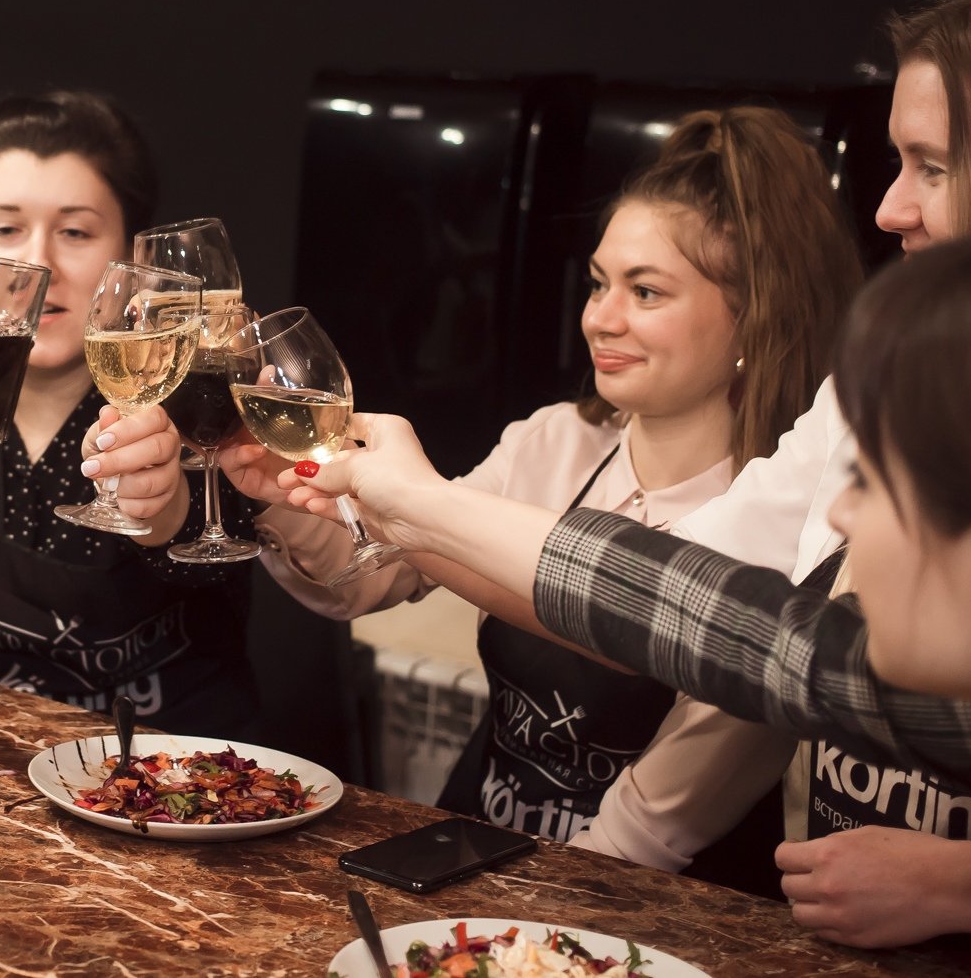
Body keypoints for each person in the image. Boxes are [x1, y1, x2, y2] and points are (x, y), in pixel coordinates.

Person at [280, 222, 971, 978]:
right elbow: (736, 626)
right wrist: (413, 505)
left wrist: (420, 505)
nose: (841, 514)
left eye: (885, 472)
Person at [560, 0, 971, 962]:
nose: (891, 207)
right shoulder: (879, 380)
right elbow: (720, 607)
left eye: (930, 165)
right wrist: (402, 514)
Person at [232, 107, 862, 853]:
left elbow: (655, 824)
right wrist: (278, 496)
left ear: (753, 316)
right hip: (481, 828)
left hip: (640, 886)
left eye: (646, 292)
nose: (601, 318)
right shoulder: (554, 440)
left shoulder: (784, 518)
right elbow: (380, 572)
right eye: (598, 284)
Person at [0, 91, 261, 733]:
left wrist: (163, 507)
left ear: (134, 259)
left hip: (173, 767)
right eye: (5, 230)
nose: (37, 263)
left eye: (75, 232)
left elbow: (213, 564)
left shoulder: (197, 395)